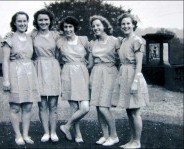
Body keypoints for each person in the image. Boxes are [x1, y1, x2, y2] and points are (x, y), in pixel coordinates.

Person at [2, 11, 41, 145]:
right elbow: (5, 61)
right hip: (15, 72)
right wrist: (6, 79)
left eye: (25, 21)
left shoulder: (31, 37)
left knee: (28, 106)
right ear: (14, 23)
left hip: (29, 72)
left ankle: (25, 135)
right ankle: (17, 135)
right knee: (15, 107)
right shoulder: (9, 38)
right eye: (19, 21)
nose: (22, 24)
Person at [113, 13, 149, 149]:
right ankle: (132, 140)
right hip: (124, 75)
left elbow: (139, 64)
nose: (125, 26)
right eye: (123, 24)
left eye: (128, 23)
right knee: (129, 111)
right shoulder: (122, 41)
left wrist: (135, 82)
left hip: (134, 76)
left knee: (135, 112)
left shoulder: (136, 41)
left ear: (133, 25)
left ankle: (137, 142)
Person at [57, 16, 91, 143]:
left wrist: (89, 64)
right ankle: (78, 135)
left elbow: (91, 52)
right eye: (65, 27)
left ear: (75, 27)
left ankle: (66, 126)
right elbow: (40, 33)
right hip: (67, 73)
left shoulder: (83, 39)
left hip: (82, 73)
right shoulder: (60, 41)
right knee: (73, 107)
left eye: (70, 26)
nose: (68, 29)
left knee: (85, 107)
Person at [88, 15, 119, 146]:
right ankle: (105, 135)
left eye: (98, 25)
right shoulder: (92, 43)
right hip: (96, 73)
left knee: (104, 107)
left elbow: (122, 58)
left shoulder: (115, 41)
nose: (96, 28)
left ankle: (114, 135)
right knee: (97, 106)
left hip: (110, 73)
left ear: (104, 26)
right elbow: (89, 64)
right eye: (93, 26)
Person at [31, 9, 61, 143]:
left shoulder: (56, 35)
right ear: (37, 22)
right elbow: (18, 37)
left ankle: (53, 132)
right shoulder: (32, 35)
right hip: (38, 68)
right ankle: (46, 132)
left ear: (50, 21)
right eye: (40, 20)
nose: (43, 22)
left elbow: (70, 42)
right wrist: (9, 34)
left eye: (46, 19)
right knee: (42, 104)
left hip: (53, 68)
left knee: (53, 104)